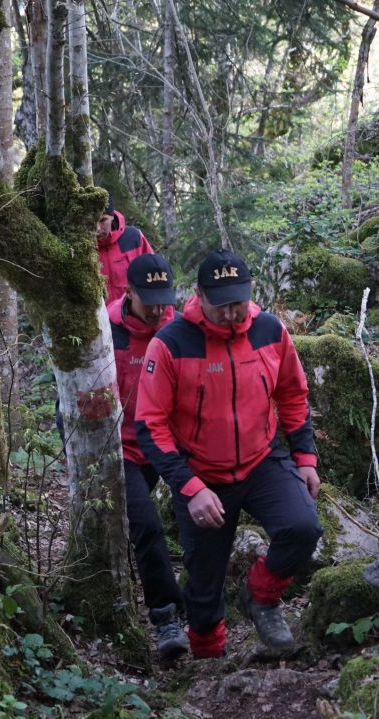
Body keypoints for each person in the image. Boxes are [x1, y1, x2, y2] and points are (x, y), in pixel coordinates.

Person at [135, 248, 323, 658]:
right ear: (199, 296)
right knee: (203, 590)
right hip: (201, 474)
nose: (232, 313)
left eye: (238, 301)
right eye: (221, 305)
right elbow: (149, 424)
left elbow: (292, 394)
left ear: (250, 291)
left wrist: (304, 457)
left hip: (261, 461)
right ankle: (207, 666)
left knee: (303, 527)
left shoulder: (270, 331)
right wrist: (188, 486)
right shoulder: (171, 343)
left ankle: (261, 596)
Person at [109, 253, 188, 661]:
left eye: (164, 300)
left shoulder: (175, 326)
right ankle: (165, 615)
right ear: (129, 293)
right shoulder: (106, 329)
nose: (158, 309)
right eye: (149, 301)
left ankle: (201, 601)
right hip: (121, 449)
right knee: (148, 527)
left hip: (166, 443)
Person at [97, 193, 154, 304]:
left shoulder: (134, 238)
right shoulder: (82, 246)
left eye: (103, 220)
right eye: (93, 221)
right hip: (98, 318)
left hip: (131, 316)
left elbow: (154, 277)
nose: (97, 228)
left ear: (112, 216)